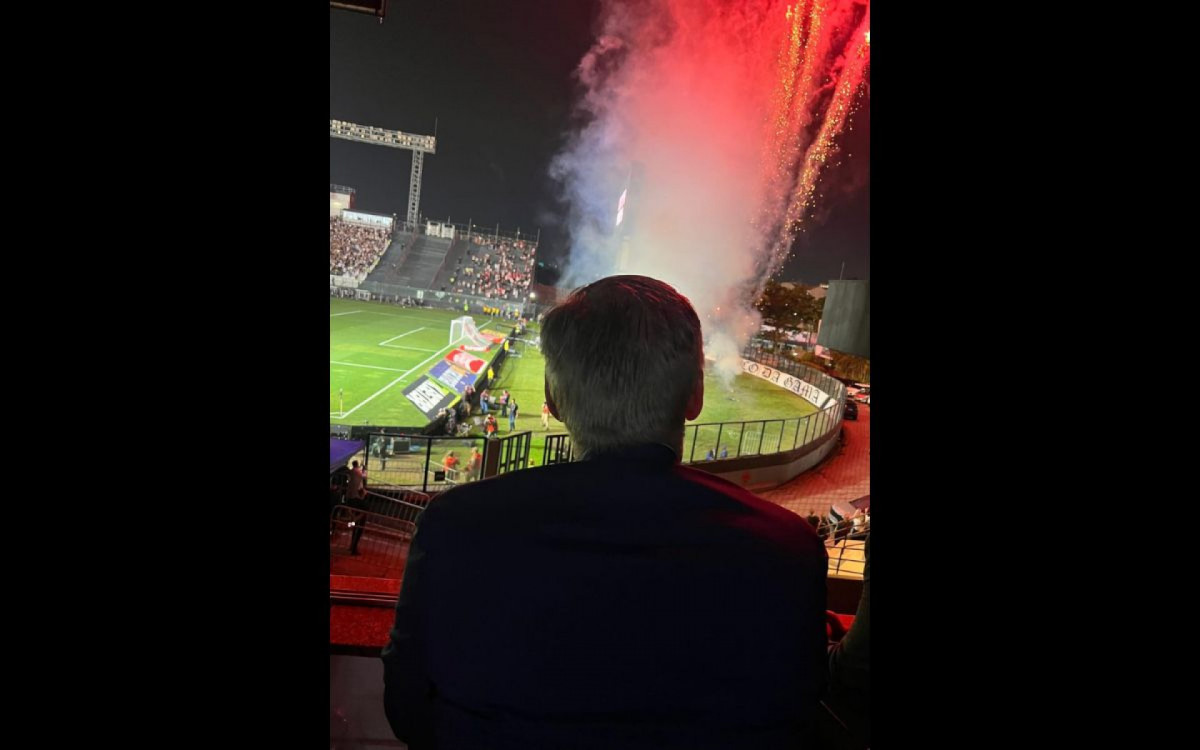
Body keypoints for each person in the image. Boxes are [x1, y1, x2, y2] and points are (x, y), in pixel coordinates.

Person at [383, 275, 828, 750]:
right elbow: (800, 717)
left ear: (552, 398)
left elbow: (408, 708)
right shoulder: (788, 549)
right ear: (695, 395)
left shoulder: (455, 526)